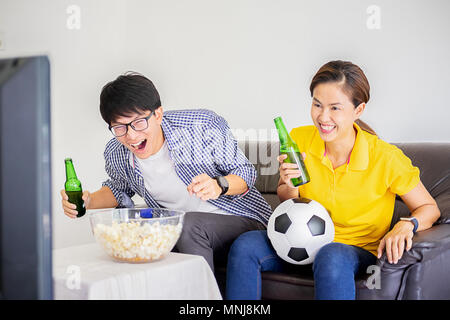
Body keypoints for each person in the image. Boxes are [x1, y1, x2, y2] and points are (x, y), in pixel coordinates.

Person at [225, 60, 441, 300]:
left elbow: (429, 208)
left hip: (351, 252)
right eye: (317, 104)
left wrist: (406, 224)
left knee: (331, 255)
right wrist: (287, 183)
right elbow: (287, 199)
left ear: (358, 110)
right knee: (246, 245)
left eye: (335, 108)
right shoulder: (300, 139)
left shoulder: (386, 158)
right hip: (298, 242)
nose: (322, 117)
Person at [61, 72, 271, 272]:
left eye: (138, 123)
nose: (131, 136)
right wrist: (87, 201)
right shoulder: (116, 151)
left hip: (241, 219)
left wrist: (219, 185)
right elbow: (117, 189)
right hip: (180, 231)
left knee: (188, 224)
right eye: (119, 127)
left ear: (158, 114)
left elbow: (246, 173)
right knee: (135, 232)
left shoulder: (201, 125)